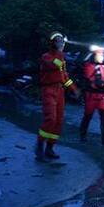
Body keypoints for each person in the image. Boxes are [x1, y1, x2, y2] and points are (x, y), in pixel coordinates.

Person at [35, 32, 80, 161]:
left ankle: (50, 148)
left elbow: (64, 77)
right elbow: (54, 65)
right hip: (48, 90)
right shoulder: (47, 57)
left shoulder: (61, 59)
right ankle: (39, 147)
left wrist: (74, 89)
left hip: (59, 91)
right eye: (59, 41)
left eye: (62, 41)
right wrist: (60, 53)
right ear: (53, 43)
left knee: (58, 121)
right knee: (51, 119)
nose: (62, 43)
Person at [79, 46, 104, 146]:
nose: (101, 57)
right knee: (88, 116)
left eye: (102, 55)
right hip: (92, 96)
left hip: (102, 96)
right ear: (94, 56)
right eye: (99, 55)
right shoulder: (89, 66)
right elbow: (91, 79)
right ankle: (83, 134)